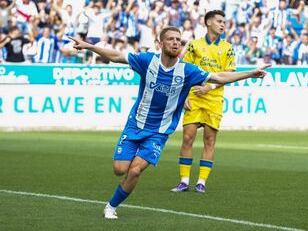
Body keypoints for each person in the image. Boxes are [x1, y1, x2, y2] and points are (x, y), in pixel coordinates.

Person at [68, 26, 270, 219]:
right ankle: (123, 180)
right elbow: (117, 56)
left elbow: (219, 77)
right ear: (160, 43)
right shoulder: (147, 61)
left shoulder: (188, 70)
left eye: (178, 40)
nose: (176, 43)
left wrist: (250, 73)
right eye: (171, 39)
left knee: (136, 170)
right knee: (119, 169)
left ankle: (111, 207)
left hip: (160, 132)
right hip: (135, 125)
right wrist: (89, 46)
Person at [170, 10, 236, 194]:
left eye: (224, 22)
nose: (223, 25)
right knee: (188, 137)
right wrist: (182, 96)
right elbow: (183, 70)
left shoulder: (228, 48)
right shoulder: (194, 46)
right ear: (208, 22)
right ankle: (184, 181)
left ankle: (201, 182)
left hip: (214, 98)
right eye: (219, 21)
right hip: (194, 97)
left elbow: (229, 74)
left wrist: (211, 87)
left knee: (209, 140)